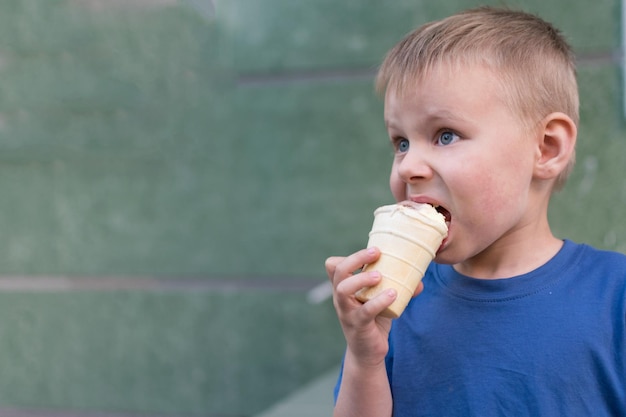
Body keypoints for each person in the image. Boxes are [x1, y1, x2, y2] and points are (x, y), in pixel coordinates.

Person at [325, 6, 626, 417]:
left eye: (445, 135)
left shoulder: (615, 297)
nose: (408, 166)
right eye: (401, 142)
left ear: (546, 148)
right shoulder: (396, 305)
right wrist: (365, 359)